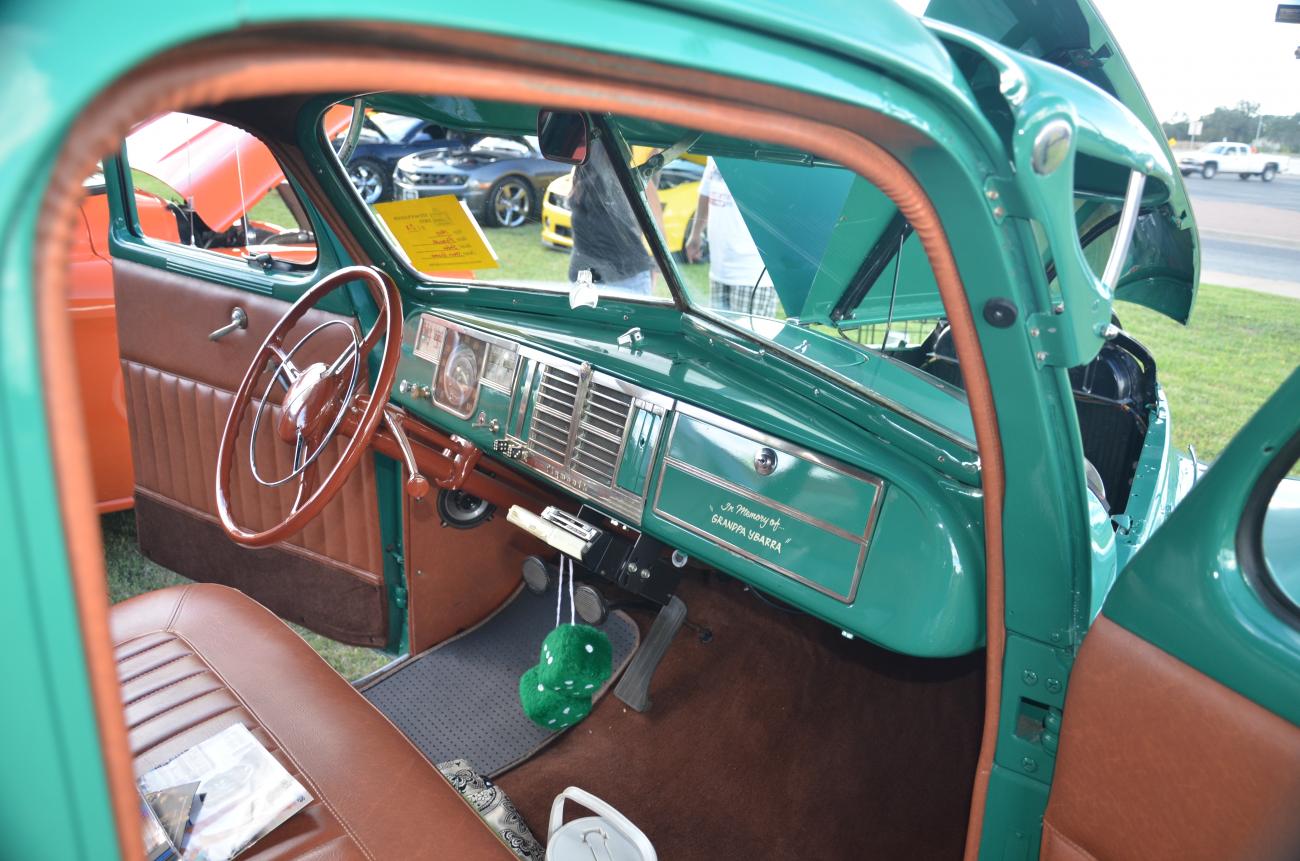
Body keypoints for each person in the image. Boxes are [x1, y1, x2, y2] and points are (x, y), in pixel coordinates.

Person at [567, 138, 663, 296]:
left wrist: (657, 264)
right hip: (586, 280)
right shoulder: (582, 180)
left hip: (626, 279)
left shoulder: (631, 182)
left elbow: (654, 226)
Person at [685, 157, 777, 316]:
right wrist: (696, 234)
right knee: (717, 330)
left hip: (751, 273)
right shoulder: (716, 151)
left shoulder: (762, 153)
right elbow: (705, 192)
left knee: (748, 332)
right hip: (719, 269)